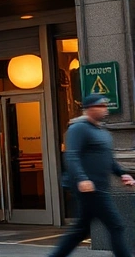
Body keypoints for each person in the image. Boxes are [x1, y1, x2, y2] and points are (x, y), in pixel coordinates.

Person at [49, 94, 135, 257]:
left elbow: (109, 159)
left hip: (99, 187)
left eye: (105, 106)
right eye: (100, 106)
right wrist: (82, 179)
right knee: (116, 225)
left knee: (80, 230)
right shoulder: (78, 128)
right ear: (89, 109)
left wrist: (123, 174)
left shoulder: (102, 131)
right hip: (90, 189)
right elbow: (72, 156)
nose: (105, 109)